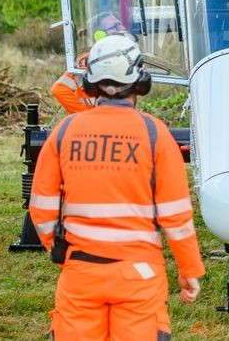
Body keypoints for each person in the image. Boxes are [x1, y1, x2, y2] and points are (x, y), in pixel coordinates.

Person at [29, 34, 204, 339]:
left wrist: (61, 252)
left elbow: (41, 209)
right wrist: (189, 271)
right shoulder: (155, 135)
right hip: (139, 276)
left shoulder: (65, 132)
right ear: (140, 82)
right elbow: (176, 218)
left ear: (90, 83)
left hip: (80, 274)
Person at [50, 13, 128, 114]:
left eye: (120, 25)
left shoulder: (117, 57)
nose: (122, 28)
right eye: (116, 26)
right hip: (99, 123)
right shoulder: (89, 60)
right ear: (100, 35)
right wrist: (86, 115)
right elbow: (59, 89)